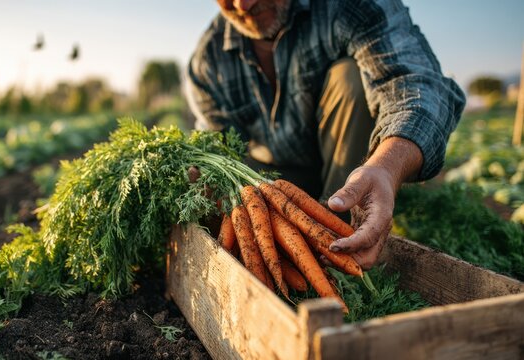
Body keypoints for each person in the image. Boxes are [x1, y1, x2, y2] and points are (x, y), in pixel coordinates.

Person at [185, 0, 465, 269]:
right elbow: (219, 148)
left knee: (351, 79)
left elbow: (415, 85)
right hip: (268, 187)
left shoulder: (346, 6)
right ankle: (284, 250)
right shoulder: (208, 58)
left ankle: (340, 236)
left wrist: (386, 167)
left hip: (348, 175)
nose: (243, 5)